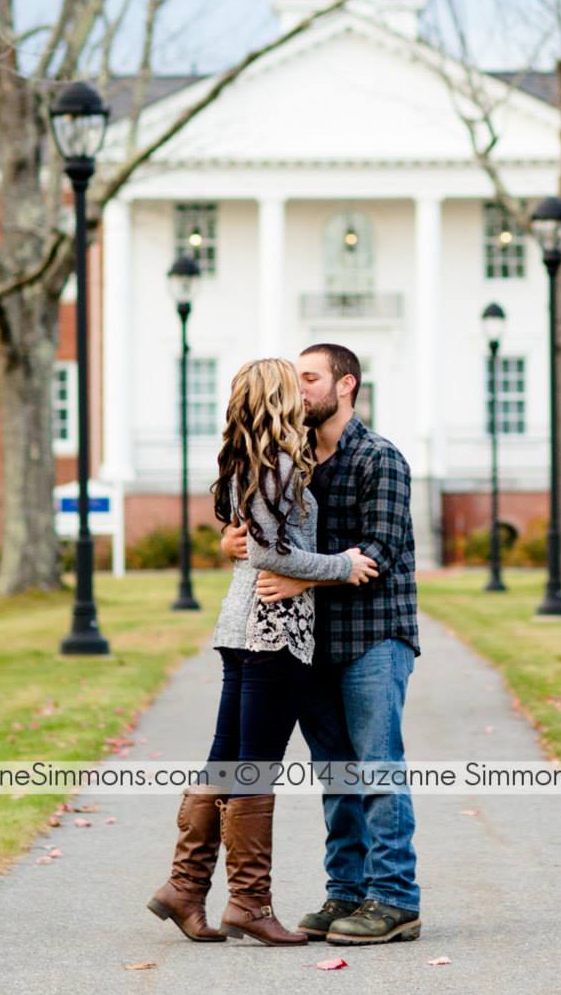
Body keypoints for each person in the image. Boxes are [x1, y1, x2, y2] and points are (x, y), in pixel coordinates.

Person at [147, 357, 379, 947]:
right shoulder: (274, 464)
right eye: (292, 386)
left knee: (227, 759)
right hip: (271, 632)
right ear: (275, 399)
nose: (302, 393)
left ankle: (184, 887)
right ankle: (249, 903)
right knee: (253, 767)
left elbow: (251, 544)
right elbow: (273, 555)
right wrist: (343, 566)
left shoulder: (252, 460)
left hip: (243, 628)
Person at [226, 342, 422, 945]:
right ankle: (345, 893)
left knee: (376, 766)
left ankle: (395, 899)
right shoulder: (293, 460)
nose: (299, 388)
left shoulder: (380, 458)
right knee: (335, 773)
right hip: (311, 643)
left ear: (346, 385)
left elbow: (376, 557)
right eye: (296, 378)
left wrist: (294, 576)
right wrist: (237, 547)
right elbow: (261, 536)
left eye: (310, 378)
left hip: (373, 637)